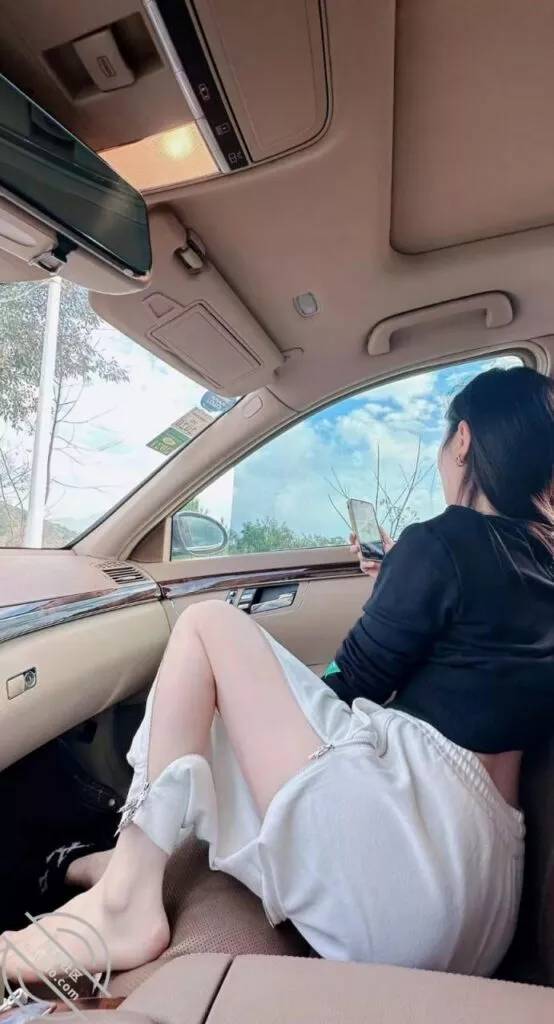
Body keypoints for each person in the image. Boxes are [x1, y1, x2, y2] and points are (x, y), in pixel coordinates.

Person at [2, 367, 553, 980]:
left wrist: (404, 580)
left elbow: (350, 685)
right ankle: (103, 865)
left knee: (206, 626)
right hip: (482, 904)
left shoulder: (446, 541)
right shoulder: (541, 563)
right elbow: (473, 660)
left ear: (463, 440)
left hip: (410, 872)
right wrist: (400, 578)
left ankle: (124, 904)